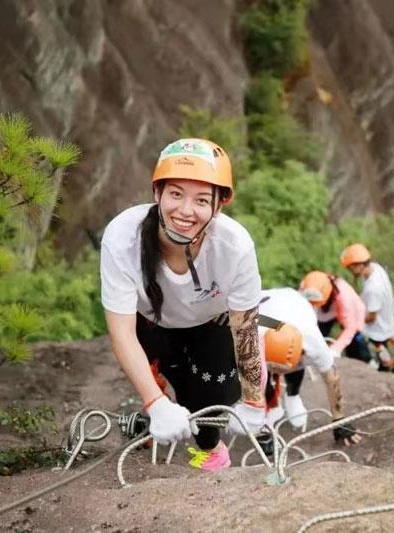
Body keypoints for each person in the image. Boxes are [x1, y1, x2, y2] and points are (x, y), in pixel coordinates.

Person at [100, 138, 267, 473]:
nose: (186, 211)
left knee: (210, 407)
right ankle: (155, 407)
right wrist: (155, 403)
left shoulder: (235, 247)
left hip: (209, 324)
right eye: (176, 194)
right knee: (160, 387)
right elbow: (121, 332)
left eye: (202, 200)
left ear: (219, 206)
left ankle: (211, 451)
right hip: (150, 325)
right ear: (157, 193)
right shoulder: (123, 237)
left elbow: (245, 329)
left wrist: (253, 400)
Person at [258, 287, 361, 446]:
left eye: (281, 369)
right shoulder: (253, 329)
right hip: (264, 308)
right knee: (258, 375)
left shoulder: (312, 340)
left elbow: (331, 376)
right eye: (274, 369)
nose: (277, 373)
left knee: (294, 371)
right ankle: (266, 417)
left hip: (294, 303)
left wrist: (339, 419)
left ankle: (292, 395)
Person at [340, 243, 394, 371]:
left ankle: (366, 367)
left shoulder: (373, 288)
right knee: (382, 355)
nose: (350, 271)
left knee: (354, 340)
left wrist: (351, 320)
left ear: (359, 265)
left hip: (377, 330)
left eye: (351, 268)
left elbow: (371, 317)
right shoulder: (375, 268)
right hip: (385, 322)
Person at [298, 270, 371, 364]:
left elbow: (350, 327)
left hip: (351, 314)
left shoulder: (344, 297)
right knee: (316, 336)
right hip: (323, 313)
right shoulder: (305, 286)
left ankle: (364, 361)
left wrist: (335, 349)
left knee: (354, 342)